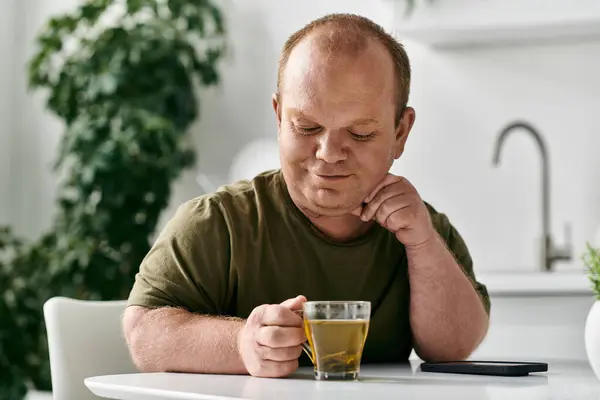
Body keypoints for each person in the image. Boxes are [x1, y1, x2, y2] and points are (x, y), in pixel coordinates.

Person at [122, 13, 490, 379]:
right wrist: (242, 344)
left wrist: (423, 244)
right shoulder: (218, 222)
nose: (329, 152)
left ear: (400, 132)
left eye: (360, 133)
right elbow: (143, 333)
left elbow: (453, 350)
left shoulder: (424, 230)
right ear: (279, 117)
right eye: (306, 127)